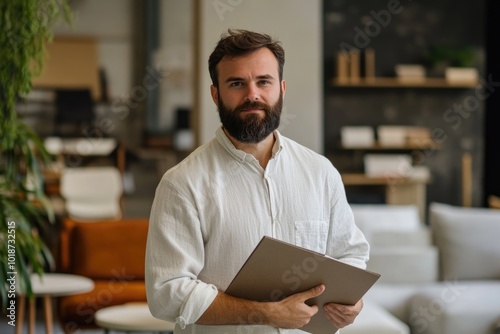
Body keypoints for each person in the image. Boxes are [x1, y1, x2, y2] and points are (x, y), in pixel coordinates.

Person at [145, 29, 370, 334]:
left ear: (282, 88)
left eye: (264, 81)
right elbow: (166, 293)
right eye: (237, 83)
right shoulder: (182, 184)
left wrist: (351, 302)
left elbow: (350, 253)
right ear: (215, 94)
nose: (252, 94)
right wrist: (265, 313)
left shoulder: (321, 172)